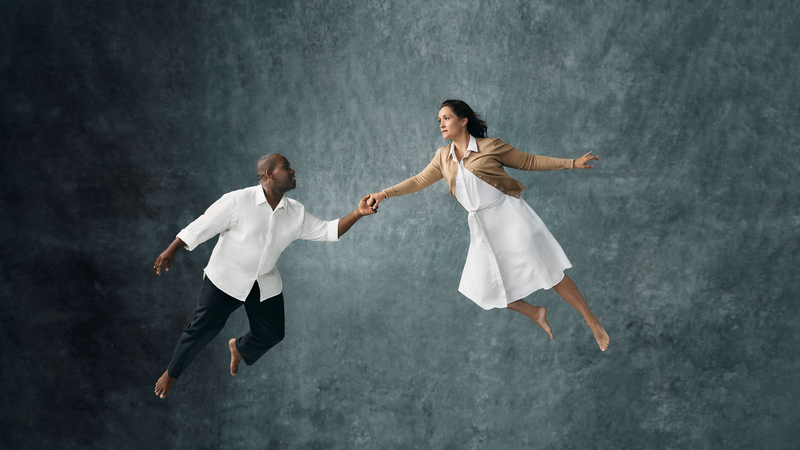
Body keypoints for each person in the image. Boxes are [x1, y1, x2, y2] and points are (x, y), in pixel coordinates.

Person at [366, 100, 609, 351]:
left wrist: (571, 162)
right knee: (484, 288)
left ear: (463, 121)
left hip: (511, 217)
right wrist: (384, 193)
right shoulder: (443, 156)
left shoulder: (490, 146)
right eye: (439, 120)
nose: (441, 124)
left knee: (549, 272)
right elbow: (418, 180)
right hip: (481, 226)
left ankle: (592, 321)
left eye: (447, 118)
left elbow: (529, 161)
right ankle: (535, 312)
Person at [153, 154, 376, 398]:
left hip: (263, 282)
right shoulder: (238, 201)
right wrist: (173, 248)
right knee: (202, 331)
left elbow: (327, 230)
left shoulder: (295, 212)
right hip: (225, 279)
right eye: (286, 167)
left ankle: (239, 348)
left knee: (272, 333)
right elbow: (204, 224)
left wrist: (358, 213)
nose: (293, 171)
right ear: (269, 174)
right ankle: (170, 374)